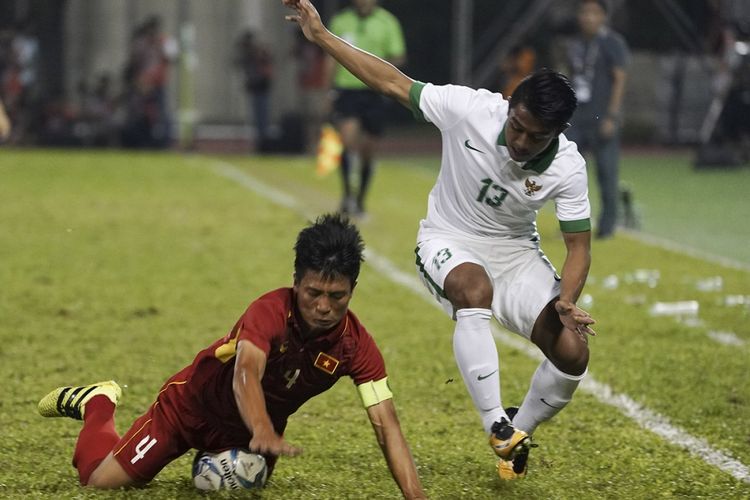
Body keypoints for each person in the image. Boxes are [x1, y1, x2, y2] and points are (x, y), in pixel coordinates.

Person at [285, 0, 596, 481]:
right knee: (474, 291)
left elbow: (578, 245)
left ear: (557, 134)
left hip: (515, 254)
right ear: (509, 105)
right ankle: (495, 421)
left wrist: (567, 301)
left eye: (535, 137)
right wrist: (322, 36)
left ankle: (517, 430)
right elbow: (391, 81)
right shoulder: (469, 109)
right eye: (516, 125)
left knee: (573, 351)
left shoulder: (568, 167)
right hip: (448, 238)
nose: (519, 141)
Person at [37, 213, 426, 499]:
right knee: (99, 483)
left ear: (352, 290)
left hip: (250, 439)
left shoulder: (357, 347)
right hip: (189, 409)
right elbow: (246, 373)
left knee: (232, 490)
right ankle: (98, 404)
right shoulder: (269, 311)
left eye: (336, 296)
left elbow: (386, 426)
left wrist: (417, 497)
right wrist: (261, 427)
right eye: (313, 293)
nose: (323, 306)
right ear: (296, 283)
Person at [324, 0, 406, 217]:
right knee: (348, 139)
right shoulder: (341, 21)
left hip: (375, 92)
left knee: (368, 149)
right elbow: (331, 57)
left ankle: (360, 199)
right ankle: (346, 196)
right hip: (348, 90)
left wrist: (378, 68)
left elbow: (398, 55)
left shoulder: (387, 22)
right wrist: (328, 90)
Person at [562, 0, 629, 239]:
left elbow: (619, 79)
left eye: (594, 13)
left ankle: (608, 226)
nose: (589, 17)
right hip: (577, 116)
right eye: (584, 12)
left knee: (606, 172)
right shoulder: (575, 44)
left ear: (603, 17)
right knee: (569, 172)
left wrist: (612, 115)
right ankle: (573, 224)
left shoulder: (612, 43)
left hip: (602, 116)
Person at [234, 30, 274, 148]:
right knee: (258, 118)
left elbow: (267, 72)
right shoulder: (250, 56)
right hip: (256, 90)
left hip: (261, 89)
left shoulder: (260, 54)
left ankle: (264, 143)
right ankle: (260, 142)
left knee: (262, 118)